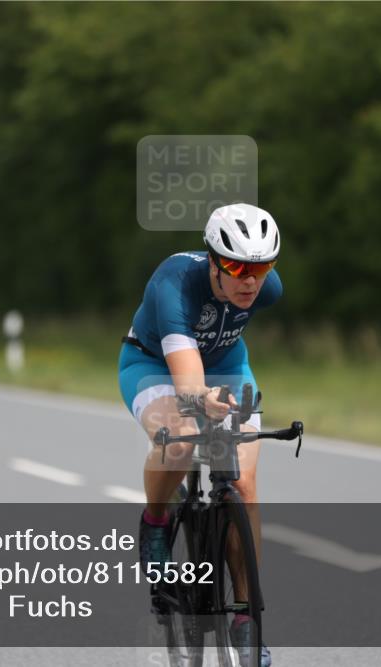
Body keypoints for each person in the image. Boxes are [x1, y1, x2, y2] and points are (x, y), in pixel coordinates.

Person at [118, 203, 282, 666]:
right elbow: (188, 383)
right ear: (213, 260)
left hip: (227, 368)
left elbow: (224, 355)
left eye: (261, 268)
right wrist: (200, 401)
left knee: (244, 484)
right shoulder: (174, 284)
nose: (250, 280)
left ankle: (247, 620)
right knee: (182, 437)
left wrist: (222, 397)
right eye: (235, 267)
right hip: (152, 365)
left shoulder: (268, 290)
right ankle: (154, 522)